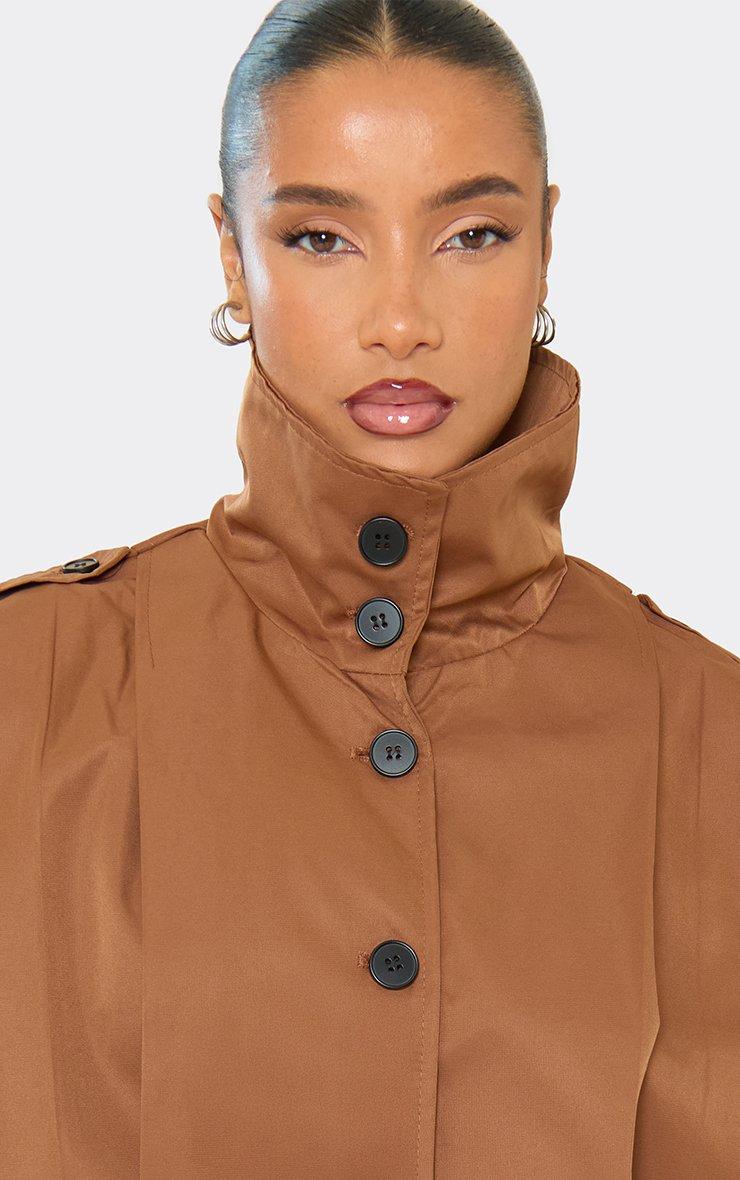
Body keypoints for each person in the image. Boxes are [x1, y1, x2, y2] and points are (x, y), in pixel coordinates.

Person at [1, 1, 738, 1175]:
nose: (400, 321)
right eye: (321, 239)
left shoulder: (709, 730)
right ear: (231, 254)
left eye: (471, 235)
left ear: (545, 243)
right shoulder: (31, 686)